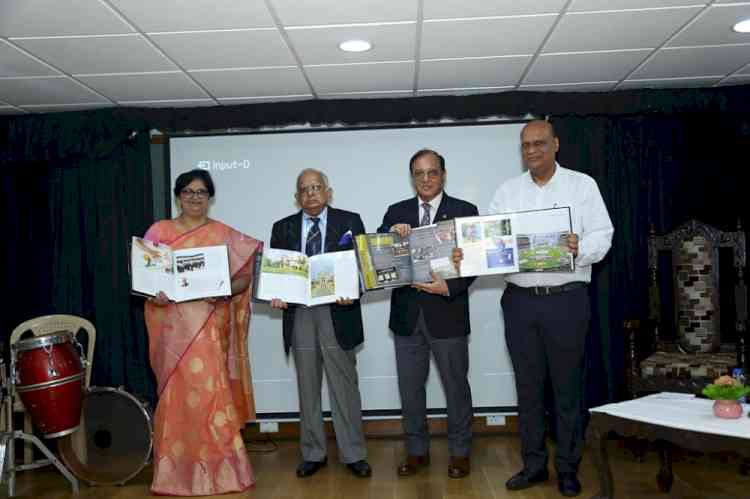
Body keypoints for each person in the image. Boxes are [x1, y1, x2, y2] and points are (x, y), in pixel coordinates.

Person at [487, 120, 613, 497]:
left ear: (556, 144)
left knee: (567, 390)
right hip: (520, 302)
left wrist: (578, 248)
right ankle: (534, 466)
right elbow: (492, 243)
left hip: (567, 301)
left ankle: (569, 468)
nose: (532, 151)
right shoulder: (507, 192)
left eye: (539, 144)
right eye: (525, 145)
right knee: (528, 390)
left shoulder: (582, 185)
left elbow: (602, 235)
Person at [143, 169, 261, 496]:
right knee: (177, 399)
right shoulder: (159, 231)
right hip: (173, 333)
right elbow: (145, 279)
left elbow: (245, 276)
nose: (195, 197)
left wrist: (225, 291)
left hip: (210, 327)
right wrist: (155, 294)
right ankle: (175, 477)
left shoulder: (222, 233)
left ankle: (225, 475)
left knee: (213, 397)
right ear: (178, 195)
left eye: (202, 192)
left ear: (210, 197)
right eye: (189, 192)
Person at [378, 149, 478, 479]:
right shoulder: (396, 211)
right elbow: (379, 261)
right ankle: (416, 451)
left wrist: (449, 288)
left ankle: (460, 453)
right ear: (412, 177)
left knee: (456, 387)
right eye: (419, 173)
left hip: (447, 313)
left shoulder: (464, 211)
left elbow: (476, 261)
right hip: (407, 317)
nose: (426, 179)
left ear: (443, 174)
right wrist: (392, 237)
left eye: (432, 172)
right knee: (410, 389)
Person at [269, 168, 372, 479]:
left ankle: (353, 453)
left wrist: (351, 291)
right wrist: (276, 294)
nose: (310, 193)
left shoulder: (350, 221)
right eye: (304, 189)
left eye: (316, 187)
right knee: (308, 386)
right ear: (296, 197)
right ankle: (313, 453)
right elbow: (276, 273)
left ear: (329, 192)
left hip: (337, 313)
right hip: (299, 312)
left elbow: (365, 267)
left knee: (344, 387)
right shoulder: (282, 227)